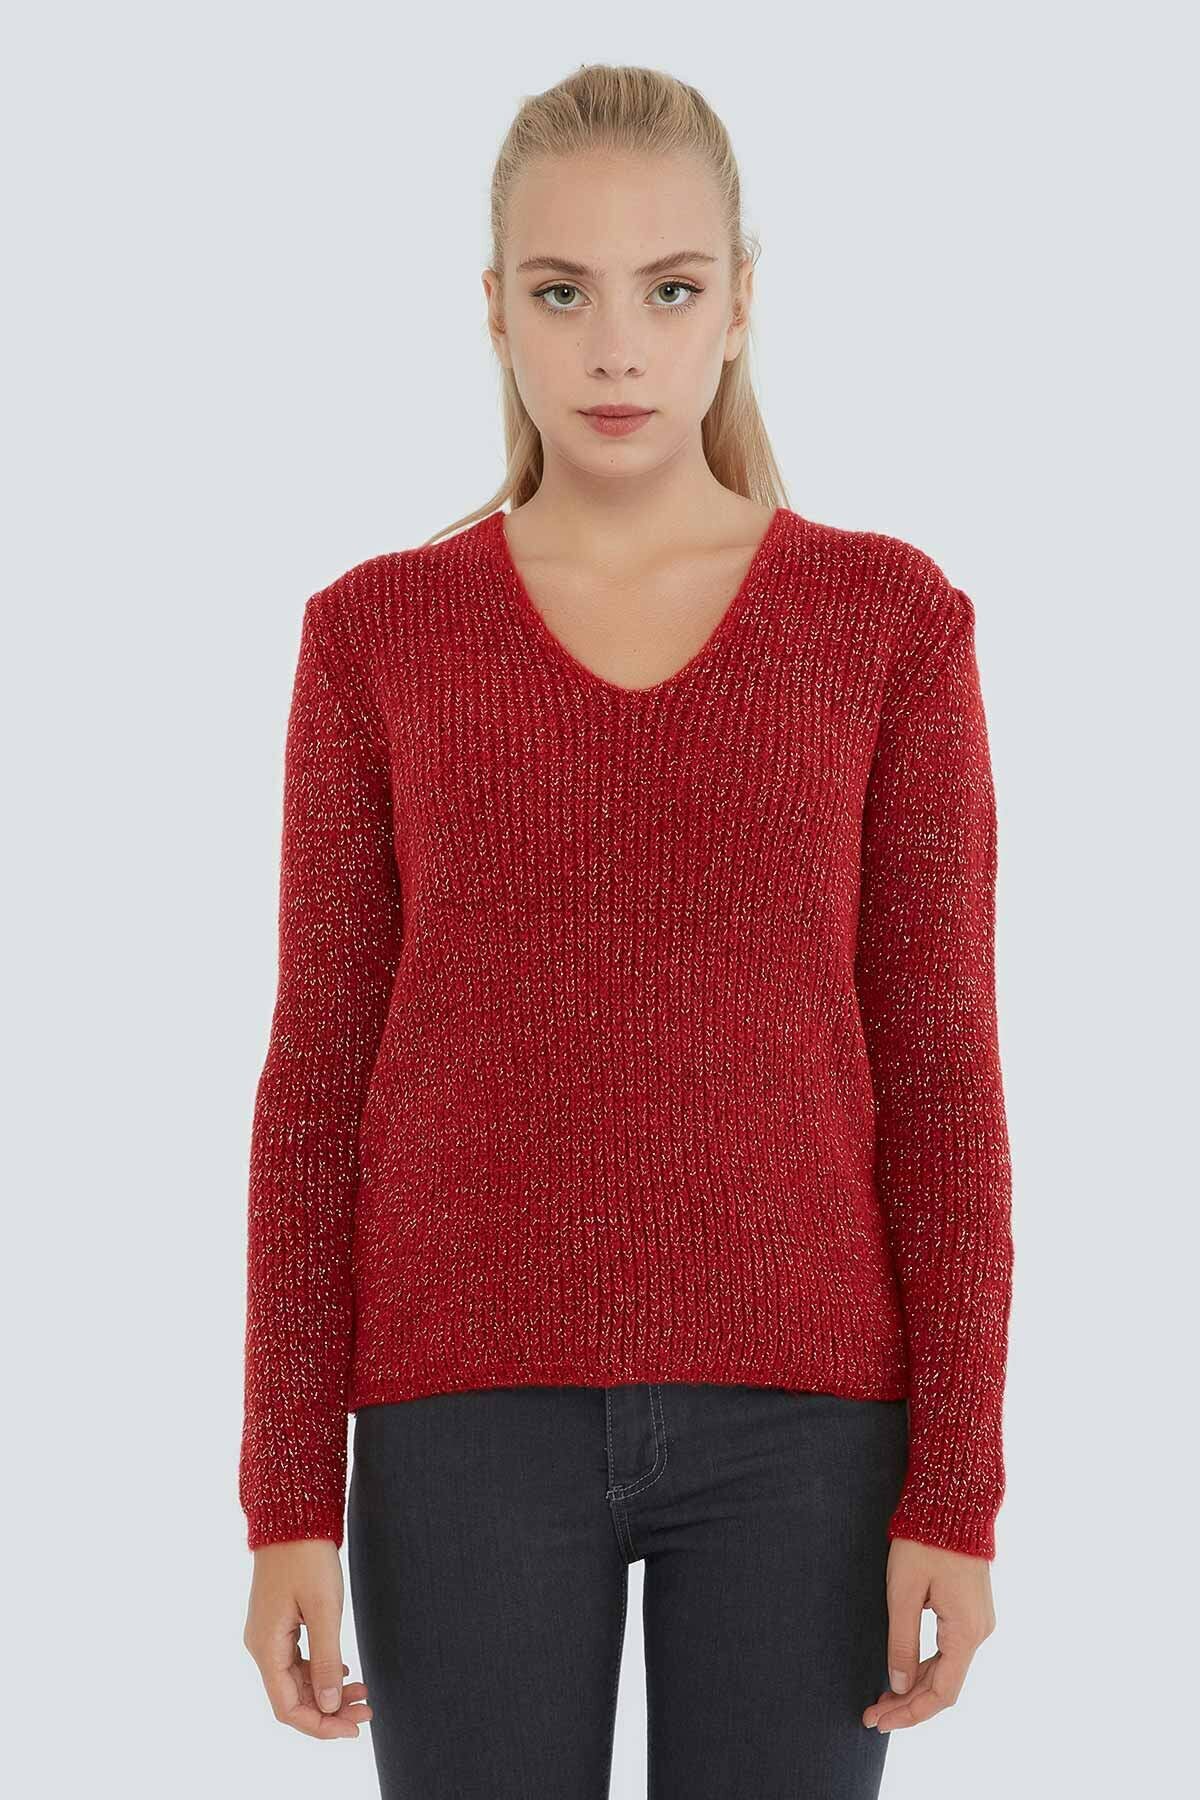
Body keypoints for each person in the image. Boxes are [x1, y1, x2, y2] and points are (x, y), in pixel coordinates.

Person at [239, 61, 1014, 1800]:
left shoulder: (887, 624)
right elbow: (317, 1084)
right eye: (561, 292)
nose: (615, 349)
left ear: (740, 305)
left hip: (811, 1432)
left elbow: (944, 1079)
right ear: (493, 309)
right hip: (458, 1420)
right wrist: (287, 1492)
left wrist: (956, 1485)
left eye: (668, 290)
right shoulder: (376, 639)